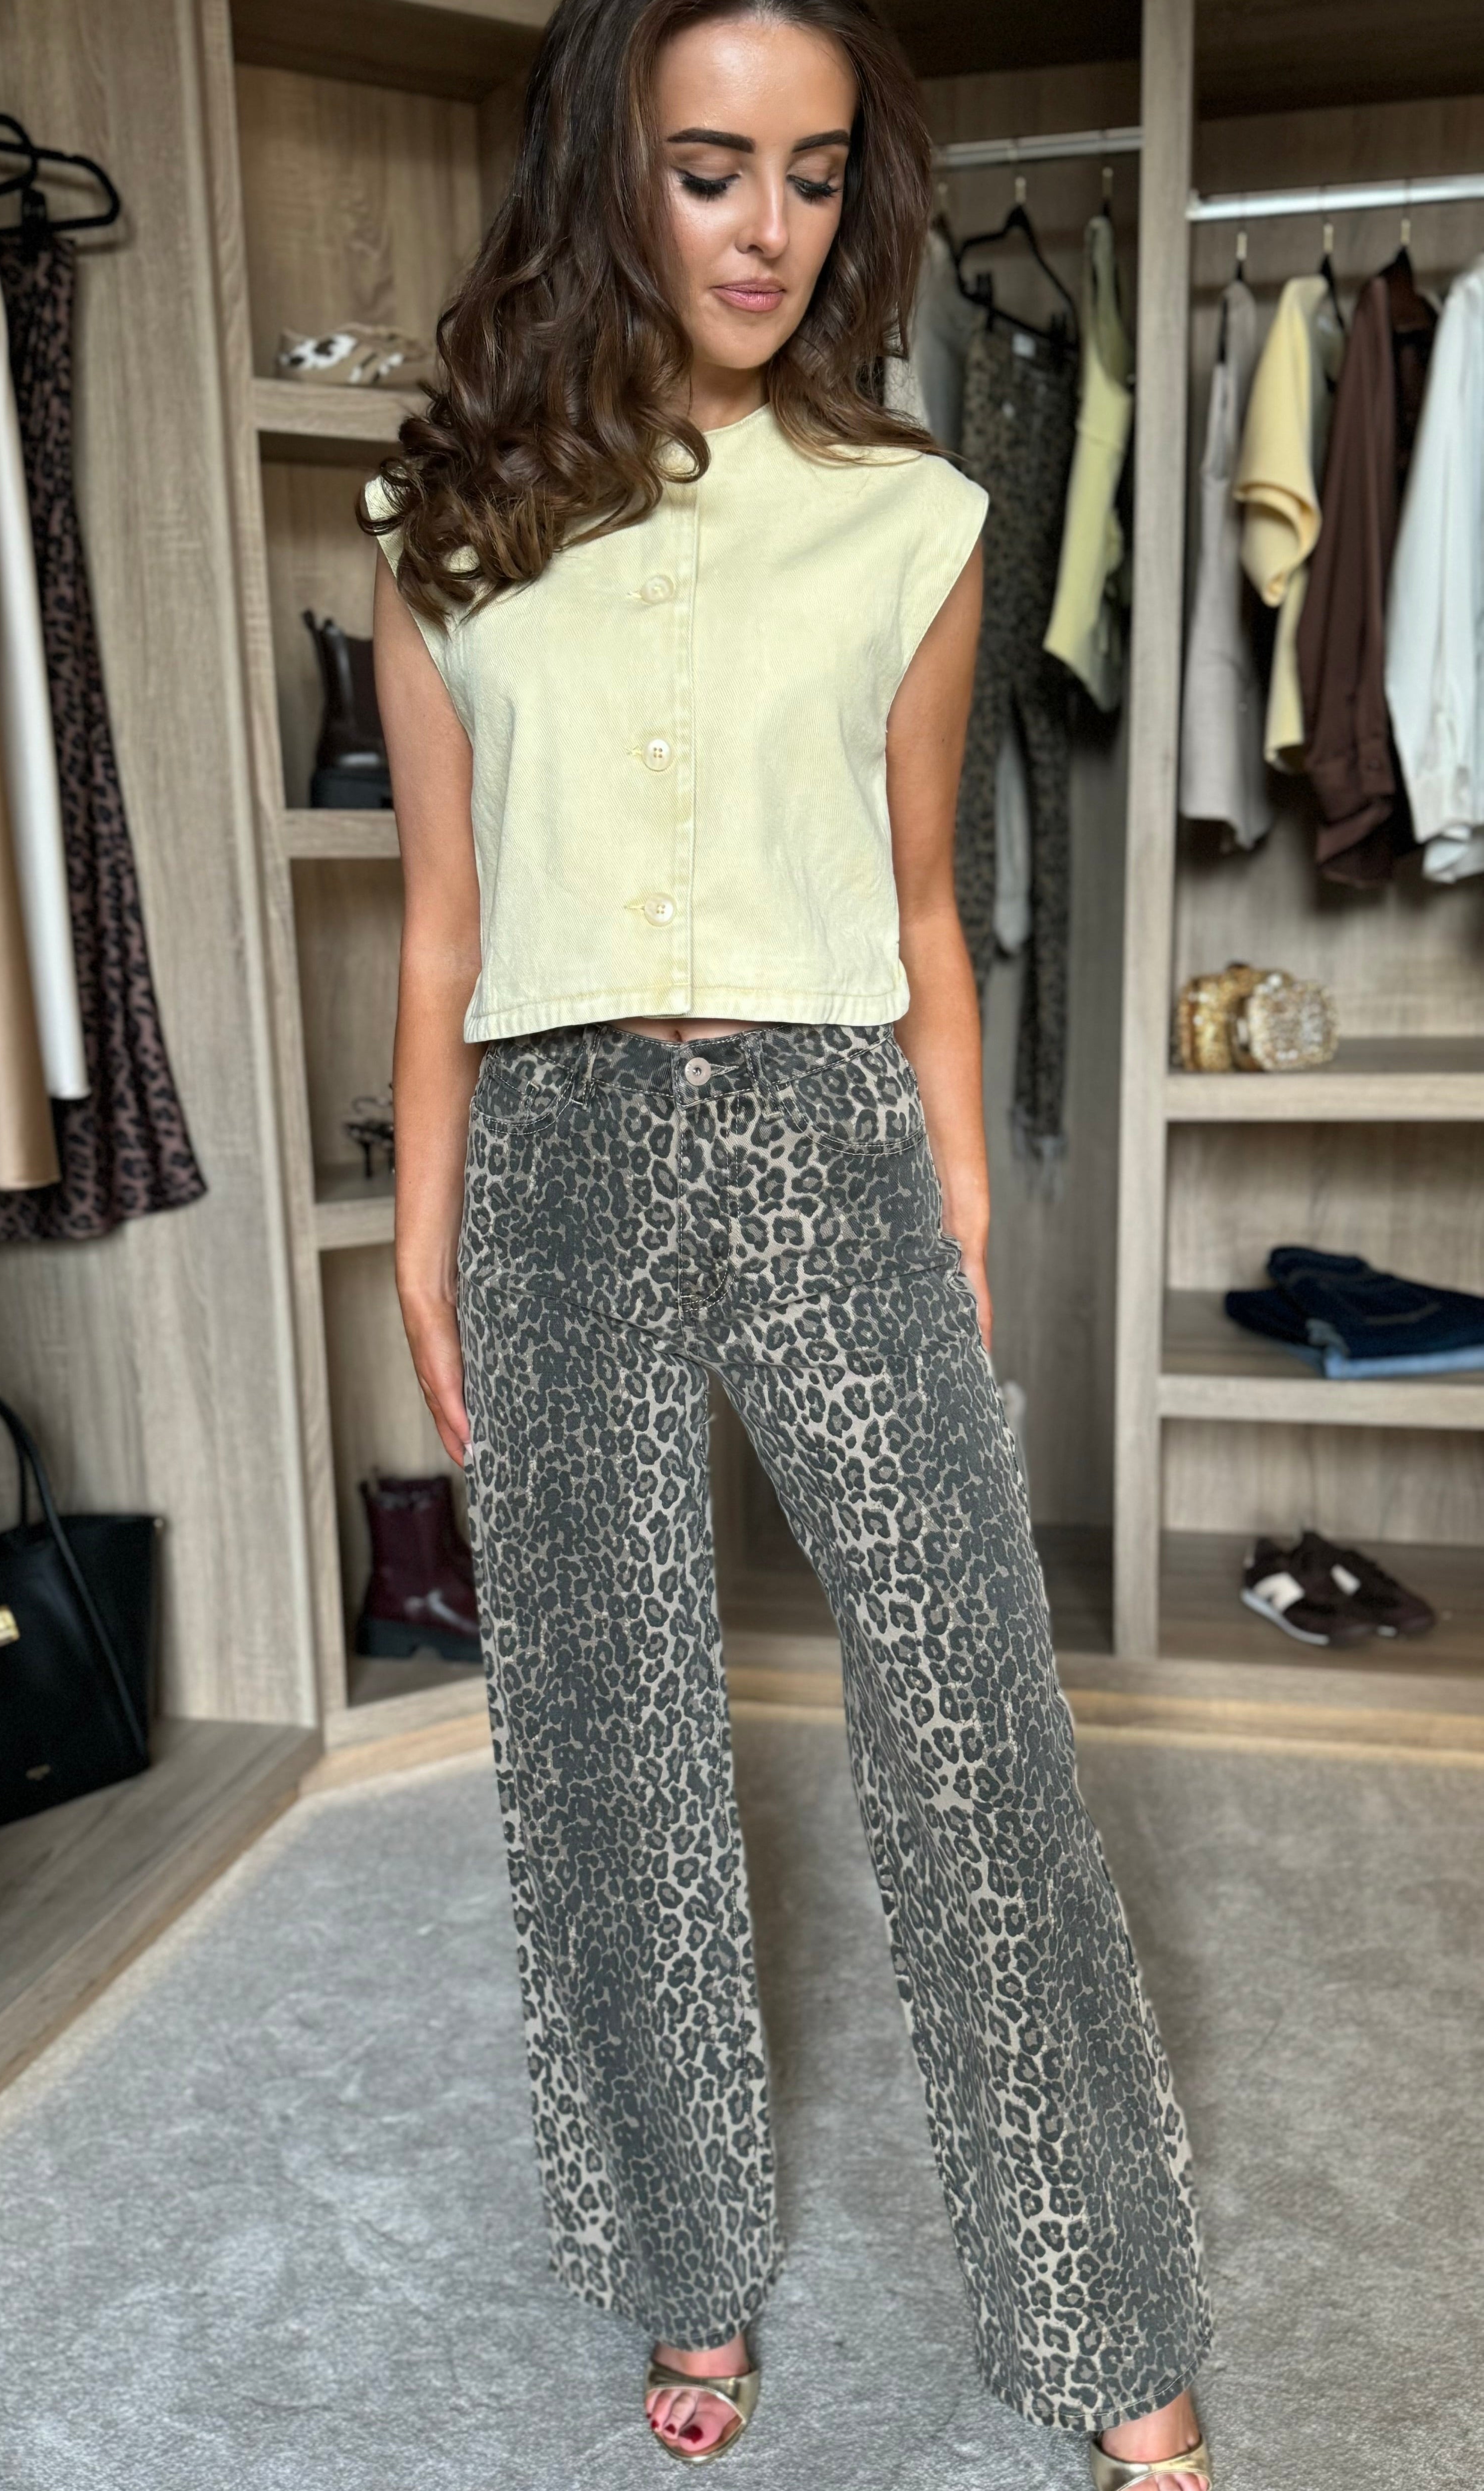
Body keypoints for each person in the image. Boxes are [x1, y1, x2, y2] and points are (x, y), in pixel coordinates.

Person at [363, 0, 1214, 2479]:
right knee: (603, 1750)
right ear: (603, 165)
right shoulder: (448, 524)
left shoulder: (915, 518)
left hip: (830, 1129)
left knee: (978, 1730)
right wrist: (425, 1223)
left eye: (817, 174)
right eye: (711, 165)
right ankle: (685, 2263)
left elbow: (927, 903)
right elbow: (442, 931)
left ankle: (1111, 2326)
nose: (769, 230)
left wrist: (952, 1192)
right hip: (551, 1154)